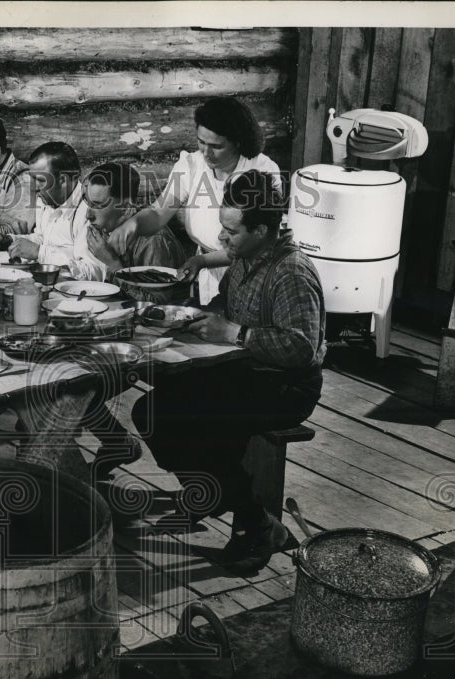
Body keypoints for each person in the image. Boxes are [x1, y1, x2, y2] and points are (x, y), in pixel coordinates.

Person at [132, 170, 325, 573]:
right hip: (243, 371)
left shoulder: (290, 272)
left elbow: (302, 349)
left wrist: (235, 332)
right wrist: (194, 318)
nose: (222, 239)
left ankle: (256, 523)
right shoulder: (244, 257)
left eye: (231, 231)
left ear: (262, 229)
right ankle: (211, 494)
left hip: (286, 387)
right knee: (151, 410)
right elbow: (225, 302)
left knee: (207, 428)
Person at [107, 97, 283, 304]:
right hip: (208, 272)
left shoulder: (262, 170)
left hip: (250, 270)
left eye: (216, 146)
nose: (206, 152)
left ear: (237, 141)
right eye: (201, 142)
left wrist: (202, 261)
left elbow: (260, 241)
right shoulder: (192, 165)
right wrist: (133, 224)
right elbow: (158, 212)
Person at [0, 142, 107, 281]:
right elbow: (42, 239)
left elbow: (95, 272)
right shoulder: (46, 199)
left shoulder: (88, 212)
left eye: (40, 180)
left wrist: (40, 253)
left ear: (63, 180)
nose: (33, 187)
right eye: (32, 179)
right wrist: (8, 240)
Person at [82, 161, 185, 276]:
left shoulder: (154, 241)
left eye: (98, 205)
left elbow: (156, 294)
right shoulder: (106, 231)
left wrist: (113, 264)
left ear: (125, 208)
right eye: (88, 202)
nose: (88, 215)